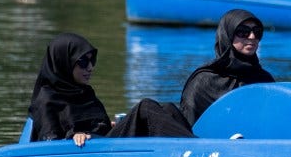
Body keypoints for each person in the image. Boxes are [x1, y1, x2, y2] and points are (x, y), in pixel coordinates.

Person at [28, 33, 195, 146]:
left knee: (167, 109)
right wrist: (74, 137)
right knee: (146, 108)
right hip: (94, 155)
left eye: (92, 60)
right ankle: (197, 149)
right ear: (63, 62)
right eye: (83, 62)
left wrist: (109, 126)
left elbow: (98, 126)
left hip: (104, 145)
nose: (90, 67)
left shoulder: (84, 92)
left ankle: (200, 146)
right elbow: (49, 145)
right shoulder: (46, 100)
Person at [178, 9, 275, 125]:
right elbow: (189, 128)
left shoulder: (264, 79)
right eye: (243, 32)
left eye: (257, 32)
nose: (252, 37)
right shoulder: (202, 82)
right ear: (228, 35)